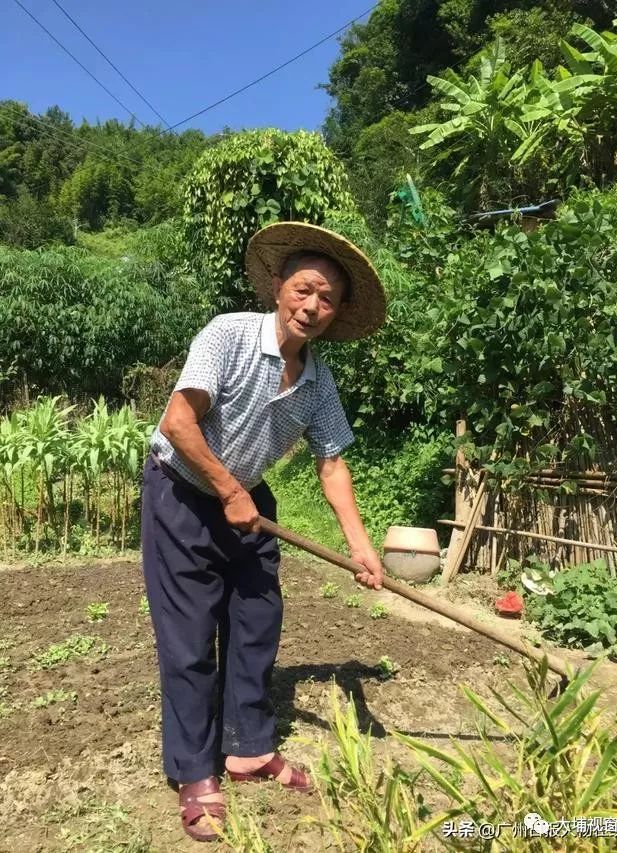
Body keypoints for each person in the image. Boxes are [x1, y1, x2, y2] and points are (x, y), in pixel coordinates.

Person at [141, 221, 387, 841]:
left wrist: (361, 547)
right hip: (184, 492)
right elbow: (177, 422)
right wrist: (228, 490)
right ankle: (195, 772)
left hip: (246, 498)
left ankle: (248, 748)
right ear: (278, 287)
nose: (312, 307)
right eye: (304, 290)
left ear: (336, 315)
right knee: (191, 637)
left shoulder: (317, 382)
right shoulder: (228, 335)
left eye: (327, 300)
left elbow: (332, 462)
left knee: (257, 620)